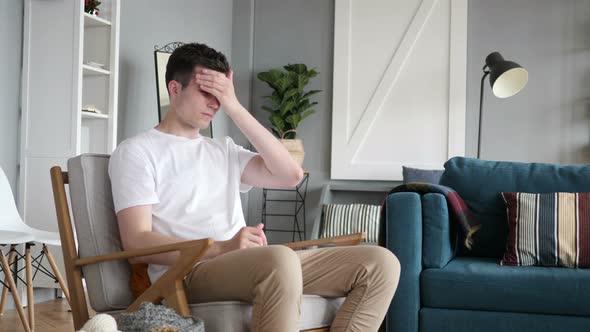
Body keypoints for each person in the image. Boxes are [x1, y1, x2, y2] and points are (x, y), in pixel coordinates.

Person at [108, 42, 400, 332]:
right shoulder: (137, 151)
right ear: (174, 89)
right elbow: (136, 243)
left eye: (221, 94)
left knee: (381, 263)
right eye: (206, 91)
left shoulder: (223, 149)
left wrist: (234, 106)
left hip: (249, 263)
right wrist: (220, 247)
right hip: (190, 272)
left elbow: (290, 175)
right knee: (279, 260)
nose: (215, 103)